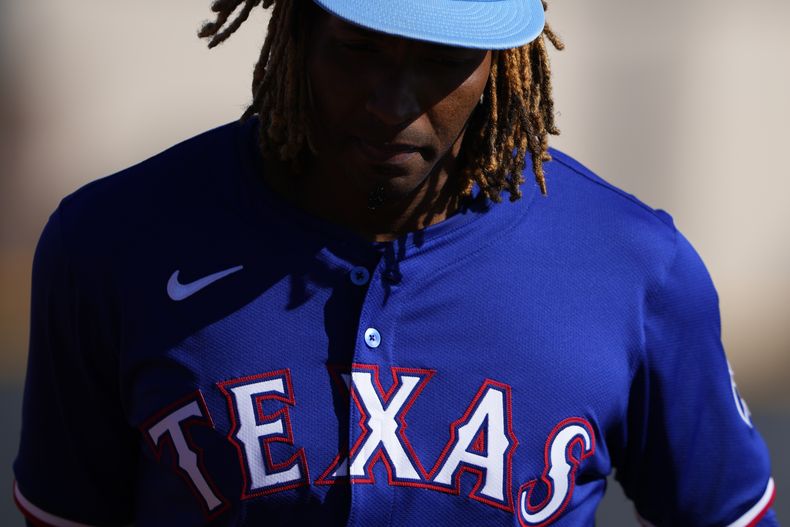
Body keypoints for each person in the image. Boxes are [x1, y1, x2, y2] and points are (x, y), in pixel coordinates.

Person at [12, 0, 777, 525]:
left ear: (501, 62)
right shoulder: (112, 243)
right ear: (293, 27)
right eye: (357, 48)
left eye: (442, 57)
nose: (392, 101)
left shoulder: (638, 269)